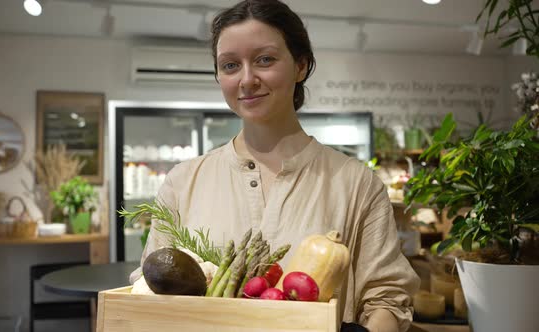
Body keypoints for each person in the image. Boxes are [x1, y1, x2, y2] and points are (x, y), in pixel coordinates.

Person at [131, 0, 420, 331]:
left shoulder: (357, 184)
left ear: (300, 65)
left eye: (264, 59)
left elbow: (387, 298)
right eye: (229, 65)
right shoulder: (183, 182)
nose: (247, 79)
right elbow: (150, 291)